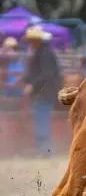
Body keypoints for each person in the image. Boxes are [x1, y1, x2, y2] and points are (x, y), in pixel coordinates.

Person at [22, 26, 63, 154]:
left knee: (42, 119)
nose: (30, 42)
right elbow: (39, 72)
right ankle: (45, 149)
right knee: (41, 118)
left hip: (45, 92)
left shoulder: (45, 53)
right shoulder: (41, 52)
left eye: (32, 40)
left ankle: (46, 150)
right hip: (43, 92)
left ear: (37, 40)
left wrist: (32, 85)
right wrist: (26, 79)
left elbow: (47, 74)